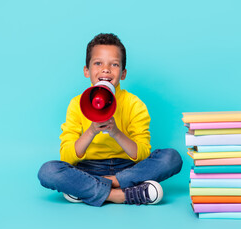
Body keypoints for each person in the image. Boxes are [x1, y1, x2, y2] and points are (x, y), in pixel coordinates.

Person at [38, 33, 182, 207]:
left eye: (114, 64)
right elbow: (67, 157)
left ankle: (89, 189)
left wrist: (115, 132)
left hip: (128, 168)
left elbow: (142, 154)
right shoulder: (76, 104)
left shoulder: (134, 104)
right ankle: (123, 195)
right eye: (98, 63)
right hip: (88, 169)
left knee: (171, 158)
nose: (106, 69)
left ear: (123, 73)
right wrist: (91, 131)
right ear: (86, 71)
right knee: (48, 171)